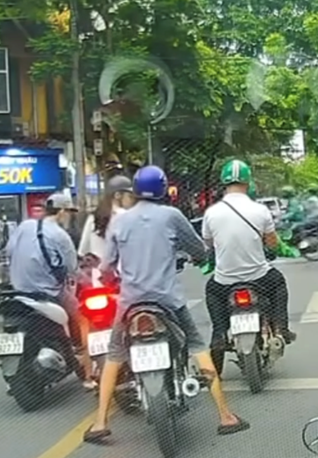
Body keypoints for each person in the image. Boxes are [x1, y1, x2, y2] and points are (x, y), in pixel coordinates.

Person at [84, 165, 249, 443]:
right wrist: (195, 257)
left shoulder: (120, 222)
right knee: (198, 347)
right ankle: (225, 415)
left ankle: (100, 422)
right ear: (163, 189)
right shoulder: (172, 216)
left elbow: (107, 266)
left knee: (114, 356)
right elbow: (198, 249)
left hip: (131, 303)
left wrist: (115, 280)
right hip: (168, 301)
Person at [202, 159, 296, 375]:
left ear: (223, 182)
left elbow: (208, 245)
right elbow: (272, 242)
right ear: (248, 182)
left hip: (224, 282)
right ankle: (281, 329)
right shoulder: (260, 210)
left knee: (211, 290)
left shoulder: (211, 213)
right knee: (279, 283)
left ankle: (218, 335)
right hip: (259, 278)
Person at [6, 190, 94, 388]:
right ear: (61, 212)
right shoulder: (60, 235)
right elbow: (73, 270)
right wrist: (91, 282)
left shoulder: (24, 226)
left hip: (17, 291)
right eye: (69, 213)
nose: (69, 218)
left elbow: (9, 251)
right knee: (83, 318)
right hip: (48, 294)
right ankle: (88, 373)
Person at [77, 175, 135, 267]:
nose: (131, 201)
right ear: (117, 195)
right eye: (129, 197)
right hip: (120, 273)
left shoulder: (94, 216)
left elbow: (83, 250)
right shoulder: (127, 217)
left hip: (98, 274)